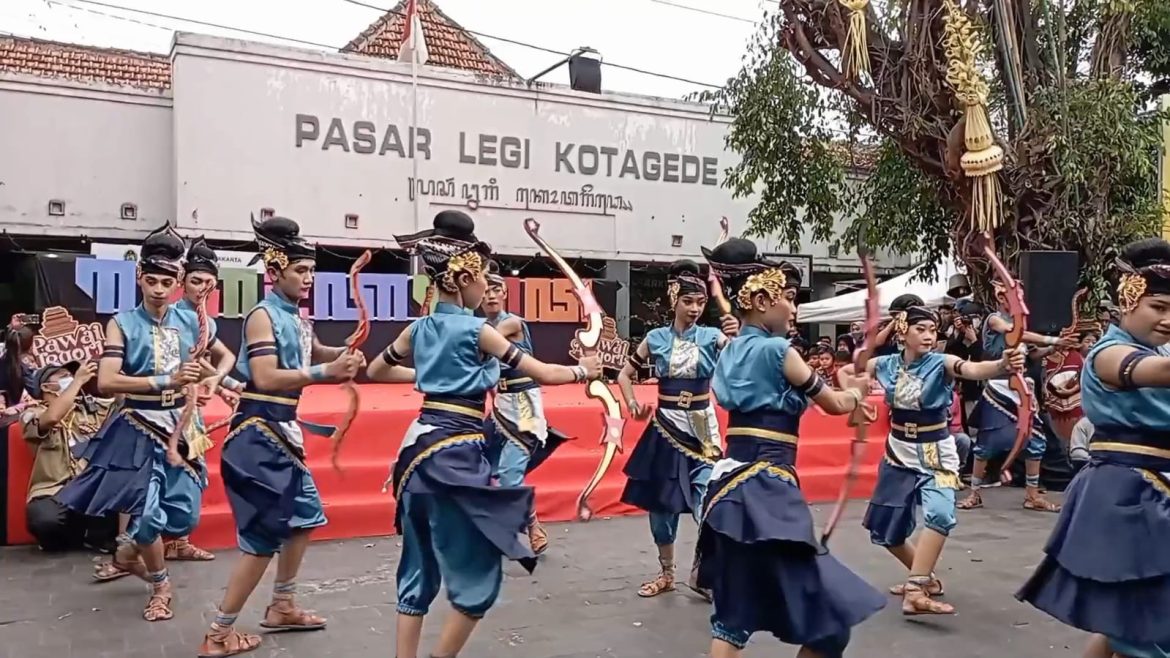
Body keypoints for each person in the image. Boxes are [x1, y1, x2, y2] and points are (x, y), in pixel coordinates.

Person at [366, 210, 601, 658]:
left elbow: (378, 370)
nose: (487, 288)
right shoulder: (479, 332)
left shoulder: (418, 328)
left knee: (416, 566)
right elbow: (545, 373)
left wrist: (429, 378)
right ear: (458, 280)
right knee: (480, 571)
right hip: (455, 455)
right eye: (482, 279)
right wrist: (582, 369)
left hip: (415, 452)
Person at [696, 238, 885, 658]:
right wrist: (856, 395)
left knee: (732, 620)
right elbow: (835, 405)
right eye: (788, 299)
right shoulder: (779, 350)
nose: (794, 308)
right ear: (761, 301)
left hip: (727, 489)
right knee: (829, 622)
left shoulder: (727, 350)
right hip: (767, 489)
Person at [196, 216, 362, 657]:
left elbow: (315, 353)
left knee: (304, 517)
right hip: (259, 435)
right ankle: (218, 633)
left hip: (281, 434)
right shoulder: (262, 315)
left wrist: (346, 353)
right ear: (275, 271)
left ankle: (282, 604)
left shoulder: (294, 317)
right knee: (265, 538)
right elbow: (267, 376)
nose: (308, 278)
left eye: (310, 271)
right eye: (300, 271)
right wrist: (328, 371)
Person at [1017, 237, 1170, 658]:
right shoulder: (1109, 352)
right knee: (1145, 625)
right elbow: (1155, 372)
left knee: (1132, 617)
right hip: (1126, 496)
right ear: (1128, 300)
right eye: (1158, 307)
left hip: (1153, 493)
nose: (1168, 319)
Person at [56, 223, 207, 623]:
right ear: (140, 279)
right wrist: (165, 380)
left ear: (177, 283)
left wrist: (215, 382)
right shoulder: (122, 323)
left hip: (183, 426)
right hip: (139, 424)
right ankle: (160, 585)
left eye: (167, 281)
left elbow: (211, 360)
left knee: (185, 515)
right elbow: (106, 381)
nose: (159, 288)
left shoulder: (189, 320)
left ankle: (126, 554)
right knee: (148, 514)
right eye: (152, 280)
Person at [844, 299, 1024, 615]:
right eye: (921, 329)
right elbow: (847, 372)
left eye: (932, 330)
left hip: (937, 452)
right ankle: (925, 577)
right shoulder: (885, 364)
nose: (929, 335)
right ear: (903, 331)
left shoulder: (941, 362)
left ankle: (915, 587)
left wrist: (1001, 366)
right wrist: (856, 399)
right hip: (897, 452)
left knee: (940, 514)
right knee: (885, 531)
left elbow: (971, 369)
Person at [616, 259, 737, 600]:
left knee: (709, 500)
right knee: (661, 507)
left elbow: (739, 354)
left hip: (702, 427)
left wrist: (737, 336)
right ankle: (667, 573)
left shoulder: (713, 337)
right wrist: (631, 403)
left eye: (700, 302)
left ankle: (707, 572)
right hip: (665, 427)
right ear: (674, 300)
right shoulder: (655, 339)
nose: (696, 308)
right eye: (688, 301)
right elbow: (624, 374)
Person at [959, 281, 1077, 512]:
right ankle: (974, 493)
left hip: (1023, 388)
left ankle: (1032, 495)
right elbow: (1015, 334)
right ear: (1003, 299)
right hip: (999, 388)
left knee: (1035, 442)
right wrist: (1051, 339)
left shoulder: (1019, 324)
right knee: (987, 444)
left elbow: (1032, 353)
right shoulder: (995, 319)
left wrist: (1055, 347)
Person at [479, 261, 572, 555]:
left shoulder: (512, 323)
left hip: (524, 409)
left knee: (508, 474)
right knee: (476, 464)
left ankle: (532, 525)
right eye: (486, 291)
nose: (491, 296)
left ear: (505, 293)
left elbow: (484, 341)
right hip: (499, 407)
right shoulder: (478, 326)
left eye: (497, 290)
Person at [21, 360, 118, 552]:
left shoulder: (89, 409)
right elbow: (52, 418)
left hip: (90, 487)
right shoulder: (32, 413)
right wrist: (77, 382)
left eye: (71, 376)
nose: (71, 378)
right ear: (46, 386)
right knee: (44, 520)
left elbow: (119, 405)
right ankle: (69, 538)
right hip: (54, 490)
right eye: (64, 376)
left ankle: (97, 537)